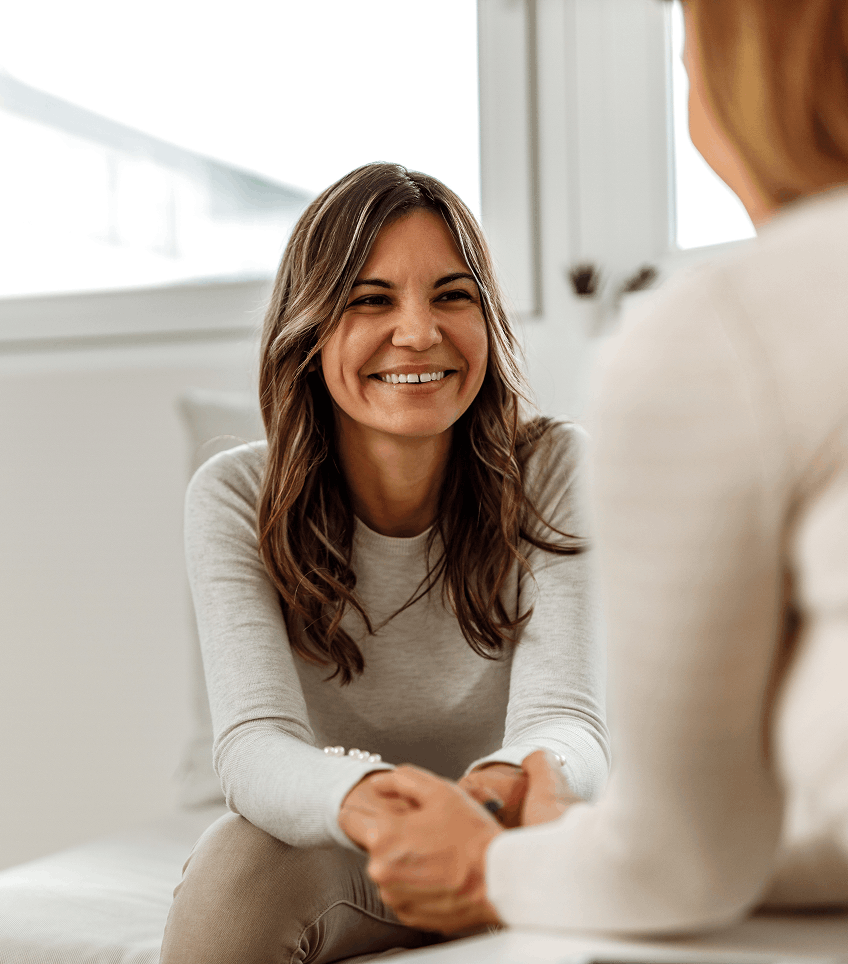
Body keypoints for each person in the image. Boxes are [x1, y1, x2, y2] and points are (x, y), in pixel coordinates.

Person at [357, 0, 848, 937]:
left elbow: (680, 865)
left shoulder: (724, 337)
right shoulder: (235, 494)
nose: (415, 332)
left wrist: (489, 864)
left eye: (684, 52)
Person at [158, 162, 609, 963]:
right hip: (348, 838)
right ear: (311, 328)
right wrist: (374, 803)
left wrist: (487, 800)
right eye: (371, 300)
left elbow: (565, 722)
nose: (418, 331)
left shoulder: (551, 468)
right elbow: (255, 745)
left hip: (515, 842)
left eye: (451, 295)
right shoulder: (232, 495)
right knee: (236, 866)